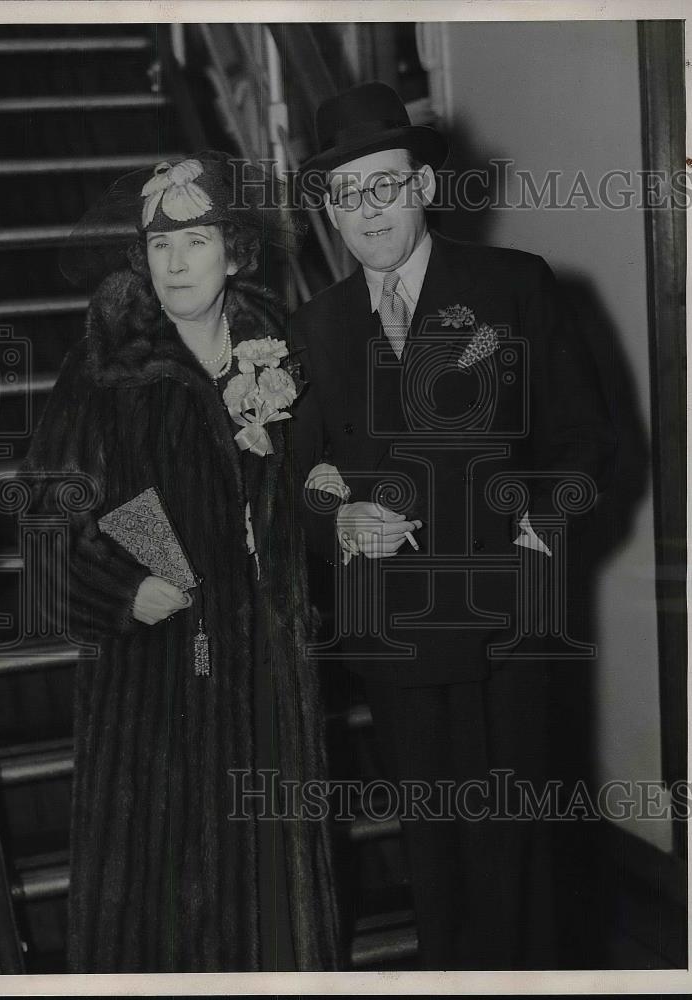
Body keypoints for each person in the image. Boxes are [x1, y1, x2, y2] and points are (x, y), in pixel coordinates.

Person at [291, 82, 616, 969]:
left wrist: (539, 531)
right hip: (392, 637)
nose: (370, 210)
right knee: (432, 858)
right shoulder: (316, 326)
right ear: (329, 208)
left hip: (505, 624)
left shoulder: (512, 287)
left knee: (516, 853)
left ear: (424, 187)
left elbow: (587, 440)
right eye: (348, 194)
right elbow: (298, 485)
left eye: (384, 185)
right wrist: (339, 519)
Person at [21, 152, 339, 973]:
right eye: (158, 246)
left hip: (267, 664)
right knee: (165, 900)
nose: (174, 263)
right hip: (156, 681)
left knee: (275, 895)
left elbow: (308, 489)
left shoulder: (281, 351)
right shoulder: (106, 370)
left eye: (193, 242)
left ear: (233, 251)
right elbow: (46, 519)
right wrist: (125, 588)